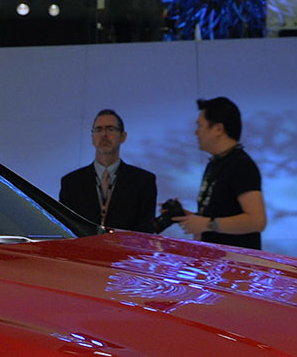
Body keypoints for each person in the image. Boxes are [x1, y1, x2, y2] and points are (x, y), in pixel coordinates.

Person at [174, 97, 266, 249]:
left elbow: (257, 221)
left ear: (218, 129)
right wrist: (189, 217)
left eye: (200, 125)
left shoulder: (241, 165)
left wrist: (207, 224)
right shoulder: (215, 163)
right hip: (217, 258)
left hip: (235, 260)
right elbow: (221, 214)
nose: (196, 132)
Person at [59, 109, 158, 233]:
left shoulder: (144, 181)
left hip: (125, 245)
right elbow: (65, 228)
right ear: (92, 137)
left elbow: (145, 231)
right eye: (98, 129)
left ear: (123, 136)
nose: (104, 135)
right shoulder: (71, 182)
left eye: (110, 129)